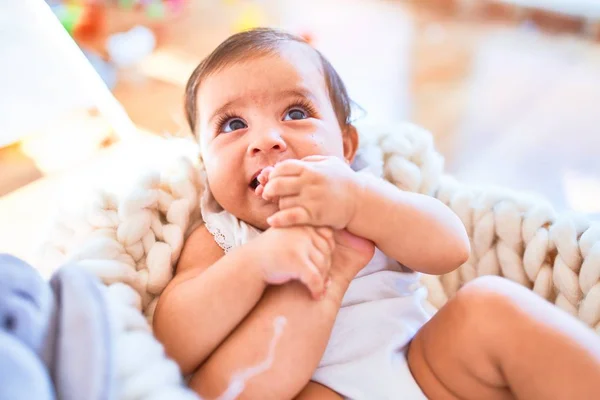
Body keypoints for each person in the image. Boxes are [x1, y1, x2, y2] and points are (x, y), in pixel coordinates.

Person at [153, 28, 600, 399]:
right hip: (320, 388)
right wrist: (258, 262)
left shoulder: (367, 194)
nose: (267, 139)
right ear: (204, 165)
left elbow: (451, 248)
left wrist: (360, 203)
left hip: (427, 370)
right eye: (233, 125)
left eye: (295, 112)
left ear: (346, 147)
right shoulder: (220, 236)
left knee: (488, 306)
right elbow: (173, 343)